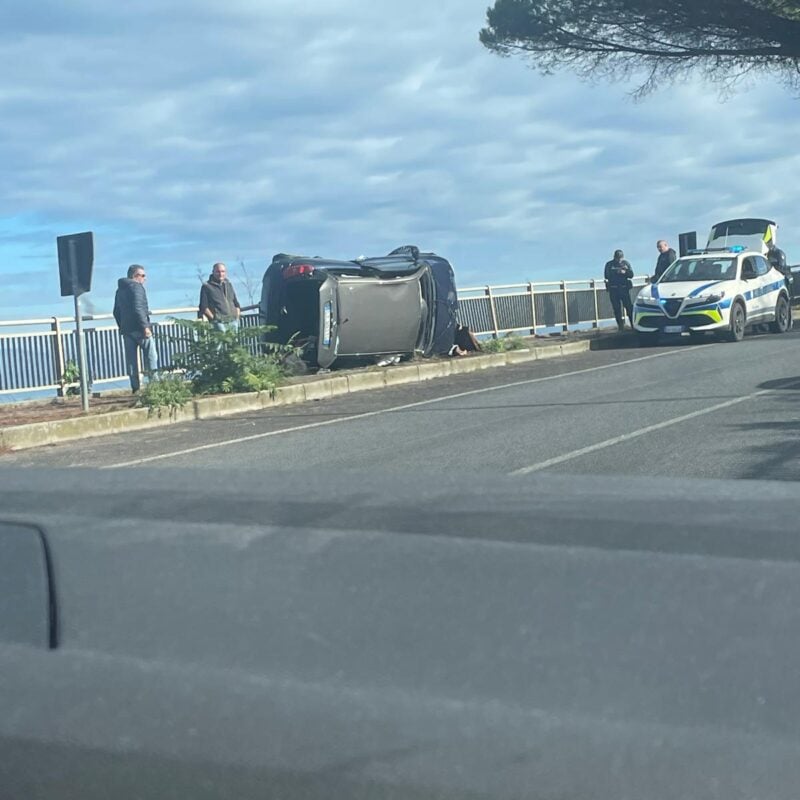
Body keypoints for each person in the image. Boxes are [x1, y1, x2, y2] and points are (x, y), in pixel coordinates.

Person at [113, 264, 158, 393]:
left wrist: (122, 326)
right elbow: (139, 308)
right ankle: (154, 386)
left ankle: (135, 388)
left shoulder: (120, 290)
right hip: (140, 329)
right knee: (151, 357)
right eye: (143, 276)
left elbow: (116, 311)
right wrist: (145, 327)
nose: (145, 279)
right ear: (135, 276)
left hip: (127, 330)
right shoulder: (137, 287)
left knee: (132, 361)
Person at [199, 262, 241, 332]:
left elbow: (236, 303)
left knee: (234, 342)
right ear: (213, 272)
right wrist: (214, 319)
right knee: (220, 342)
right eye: (218, 272)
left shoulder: (228, 284)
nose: (221, 274)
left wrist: (237, 316)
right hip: (219, 322)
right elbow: (203, 306)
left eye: (222, 271)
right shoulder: (207, 286)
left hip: (233, 321)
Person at [604, 249, 634, 332]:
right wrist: (616, 272)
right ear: (615, 257)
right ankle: (621, 326)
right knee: (617, 309)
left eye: (621, 258)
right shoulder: (609, 264)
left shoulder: (626, 263)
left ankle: (633, 325)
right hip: (614, 289)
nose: (619, 260)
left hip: (624, 288)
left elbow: (631, 274)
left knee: (629, 307)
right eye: (618, 258)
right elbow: (606, 275)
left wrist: (625, 272)